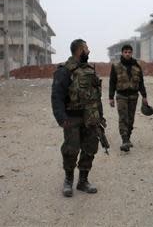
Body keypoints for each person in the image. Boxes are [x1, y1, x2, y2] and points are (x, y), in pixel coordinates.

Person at [51, 39, 103, 197]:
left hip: (91, 118)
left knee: (90, 149)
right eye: (86, 48)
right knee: (70, 150)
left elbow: (96, 96)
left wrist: (100, 116)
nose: (89, 51)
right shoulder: (65, 70)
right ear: (80, 50)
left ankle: (83, 181)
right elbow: (57, 96)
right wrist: (61, 118)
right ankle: (68, 180)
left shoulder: (90, 70)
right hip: (72, 118)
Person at [109, 44, 147, 152]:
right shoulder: (116, 66)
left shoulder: (137, 66)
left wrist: (144, 96)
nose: (127, 54)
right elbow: (112, 82)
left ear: (132, 53)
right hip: (121, 95)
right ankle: (124, 140)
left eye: (129, 52)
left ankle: (128, 137)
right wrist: (111, 97)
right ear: (122, 53)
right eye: (125, 52)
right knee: (123, 118)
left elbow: (141, 83)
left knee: (131, 119)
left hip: (133, 96)